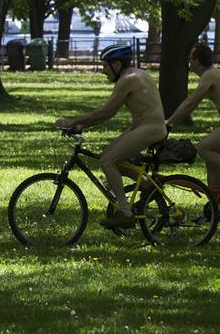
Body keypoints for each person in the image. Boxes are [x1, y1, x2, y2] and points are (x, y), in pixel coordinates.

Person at [55, 44, 167, 229]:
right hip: (146, 127)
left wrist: (73, 122)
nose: (103, 71)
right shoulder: (135, 74)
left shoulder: (128, 79)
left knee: (107, 161)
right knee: (108, 155)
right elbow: (106, 113)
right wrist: (81, 123)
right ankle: (149, 184)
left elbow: (107, 112)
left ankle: (124, 213)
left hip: (149, 129)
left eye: (105, 66)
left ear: (116, 64)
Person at [165, 42, 220, 203]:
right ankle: (214, 208)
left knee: (202, 147)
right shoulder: (215, 72)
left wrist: (169, 123)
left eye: (190, 59)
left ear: (197, 61)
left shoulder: (209, 75)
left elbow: (191, 102)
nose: (189, 62)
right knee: (212, 161)